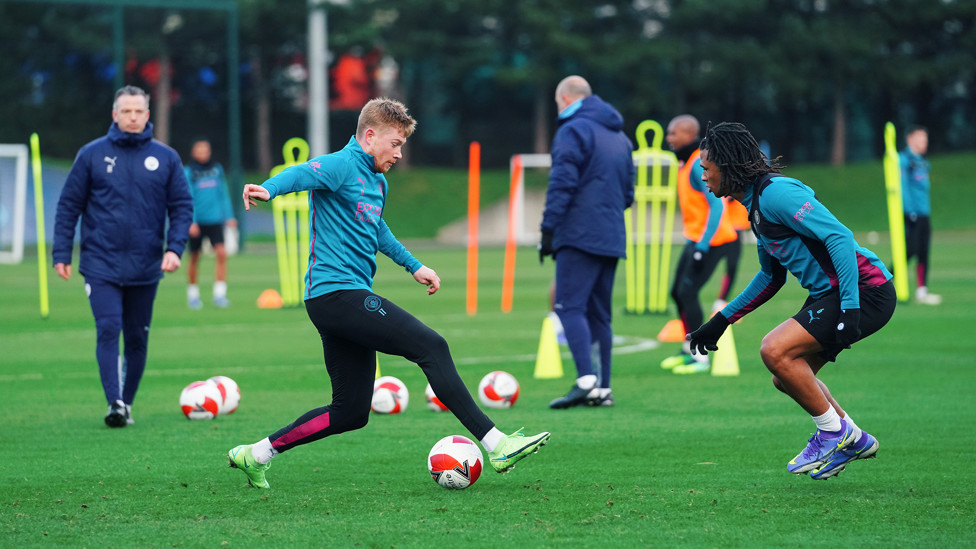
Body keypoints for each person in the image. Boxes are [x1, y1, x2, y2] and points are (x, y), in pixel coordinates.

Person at [229, 98, 550, 489]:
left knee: (350, 412)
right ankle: (496, 444)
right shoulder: (341, 164)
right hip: (336, 295)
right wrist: (268, 189)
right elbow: (299, 174)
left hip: (339, 299)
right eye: (395, 143)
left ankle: (256, 453)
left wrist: (415, 266)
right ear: (369, 136)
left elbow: (377, 228)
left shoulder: (377, 181)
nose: (399, 153)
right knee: (432, 346)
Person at [687, 122, 896, 480]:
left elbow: (840, 238)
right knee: (786, 377)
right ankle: (855, 438)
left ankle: (833, 433)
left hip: (864, 291)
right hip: (833, 295)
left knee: (774, 350)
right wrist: (721, 321)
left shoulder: (775, 195)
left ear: (727, 164)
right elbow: (771, 276)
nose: (703, 177)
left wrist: (849, 306)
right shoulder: (754, 207)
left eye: (707, 169)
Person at [52, 85, 194, 428]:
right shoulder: (91, 155)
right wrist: (61, 251)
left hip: (146, 264)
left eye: (138, 111)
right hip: (100, 262)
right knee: (108, 328)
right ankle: (114, 402)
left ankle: (126, 403)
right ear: (115, 115)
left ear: (147, 115)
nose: (132, 117)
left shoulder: (166, 157)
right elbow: (69, 205)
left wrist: (174, 249)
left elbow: (182, 206)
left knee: (136, 336)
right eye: (126, 111)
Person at [538, 75, 635, 408]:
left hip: (579, 234)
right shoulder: (621, 137)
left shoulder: (573, 130)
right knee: (600, 314)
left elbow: (562, 183)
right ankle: (602, 389)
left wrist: (548, 230)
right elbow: (628, 195)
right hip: (612, 235)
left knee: (568, 305)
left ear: (565, 99)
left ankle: (585, 380)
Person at [659, 114, 740, 375]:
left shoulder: (697, 163)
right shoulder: (685, 163)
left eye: (673, 133)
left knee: (688, 293)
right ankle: (687, 348)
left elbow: (717, 206)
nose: (668, 138)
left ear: (689, 135)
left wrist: (703, 246)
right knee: (677, 292)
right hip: (695, 238)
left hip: (713, 240)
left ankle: (699, 356)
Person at [183, 138, 237, 309]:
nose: (203, 153)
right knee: (194, 258)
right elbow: (187, 197)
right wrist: (192, 221)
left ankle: (220, 294)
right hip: (197, 222)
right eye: (199, 150)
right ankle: (193, 295)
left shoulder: (216, 169)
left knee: (221, 253)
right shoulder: (189, 171)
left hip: (215, 221)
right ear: (193, 153)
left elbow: (223, 193)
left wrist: (229, 216)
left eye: (206, 150)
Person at [899, 125, 941, 305]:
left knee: (923, 251)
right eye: (921, 139)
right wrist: (910, 211)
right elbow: (903, 188)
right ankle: (885, 279)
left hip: (924, 213)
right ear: (910, 140)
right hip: (912, 214)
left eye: (926, 139)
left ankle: (922, 291)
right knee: (910, 250)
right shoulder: (904, 160)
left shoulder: (923, 163)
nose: (925, 142)